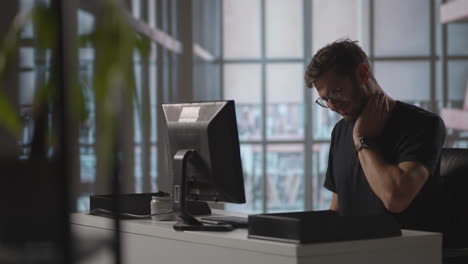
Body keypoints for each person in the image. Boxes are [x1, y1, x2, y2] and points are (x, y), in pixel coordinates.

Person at [304, 38, 446, 231]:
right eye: (325, 99)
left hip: (403, 252)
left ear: (362, 74)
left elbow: (395, 199)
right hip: (351, 253)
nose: (332, 106)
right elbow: (337, 209)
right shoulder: (340, 131)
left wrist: (362, 139)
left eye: (336, 92)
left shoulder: (423, 125)